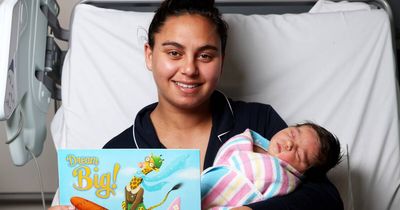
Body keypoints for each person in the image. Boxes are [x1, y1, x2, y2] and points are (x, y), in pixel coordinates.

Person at [50, 0, 343, 209]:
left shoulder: (259, 122)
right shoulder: (120, 152)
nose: (189, 69)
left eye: (205, 55)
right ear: (149, 56)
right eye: (174, 53)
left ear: (221, 61)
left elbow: (326, 198)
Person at [201, 122, 343, 209]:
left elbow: (329, 199)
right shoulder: (253, 139)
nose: (289, 144)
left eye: (300, 155)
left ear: (300, 172)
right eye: (293, 134)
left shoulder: (279, 176)